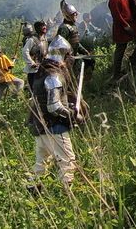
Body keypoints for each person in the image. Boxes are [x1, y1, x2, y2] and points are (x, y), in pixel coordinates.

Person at [27, 38, 82, 189]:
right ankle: (67, 194)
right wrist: (72, 114)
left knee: (41, 165)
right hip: (54, 126)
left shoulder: (42, 72)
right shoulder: (54, 76)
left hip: (40, 125)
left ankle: (34, 195)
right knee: (67, 162)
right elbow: (54, 106)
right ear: (64, 55)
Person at [56, 0, 93, 80]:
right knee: (66, 80)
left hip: (74, 58)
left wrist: (84, 51)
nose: (76, 15)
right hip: (66, 60)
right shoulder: (63, 28)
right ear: (67, 16)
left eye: (76, 14)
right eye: (74, 14)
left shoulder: (74, 26)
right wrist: (64, 59)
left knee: (76, 78)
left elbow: (76, 42)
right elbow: (59, 46)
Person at [22, 21, 48, 89]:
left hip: (43, 68)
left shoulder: (45, 39)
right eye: (42, 26)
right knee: (34, 89)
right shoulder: (32, 39)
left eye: (45, 25)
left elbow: (45, 53)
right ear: (38, 28)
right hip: (34, 70)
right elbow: (25, 51)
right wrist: (31, 63)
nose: (45, 27)